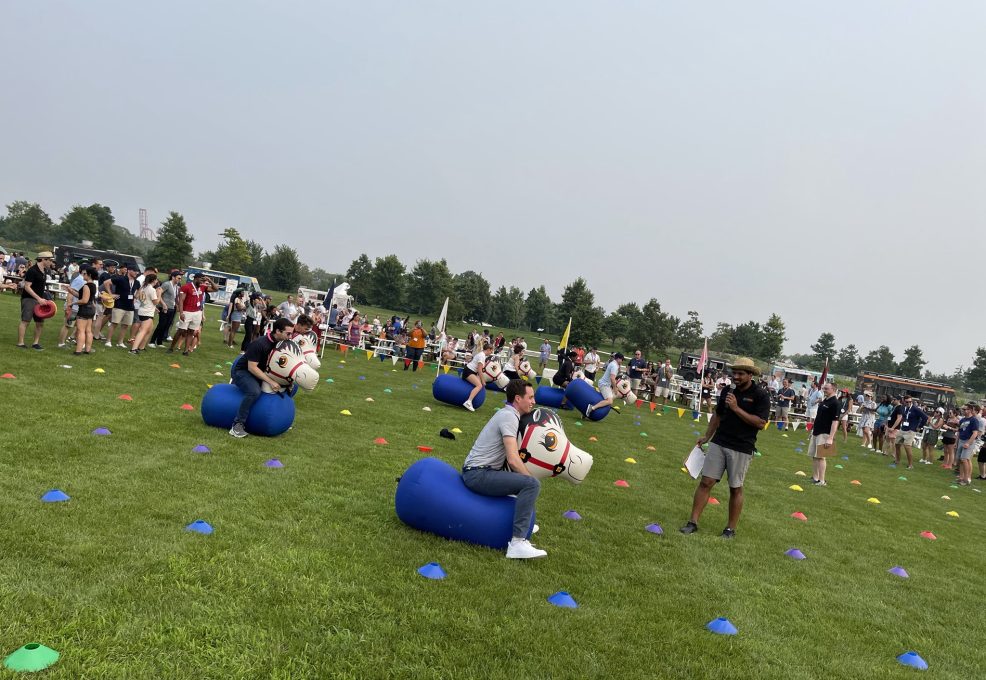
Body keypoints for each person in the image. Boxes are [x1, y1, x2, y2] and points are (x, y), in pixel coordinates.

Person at [680, 357, 770, 538]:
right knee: (706, 482)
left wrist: (736, 408)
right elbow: (717, 415)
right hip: (719, 442)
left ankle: (730, 529)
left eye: (740, 374)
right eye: (734, 373)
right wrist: (707, 436)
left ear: (750, 375)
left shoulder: (761, 395)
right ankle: (692, 522)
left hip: (742, 447)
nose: (735, 377)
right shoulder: (728, 390)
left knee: (735, 488)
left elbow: (760, 423)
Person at [461, 379, 545, 559]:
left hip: (481, 471)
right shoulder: (509, 417)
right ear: (517, 399)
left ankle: (526, 525)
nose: (533, 401)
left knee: (522, 482)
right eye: (530, 397)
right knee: (531, 485)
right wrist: (531, 479)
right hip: (478, 474)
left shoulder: (508, 414)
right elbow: (513, 459)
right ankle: (517, 543)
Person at [228, 318, 295, 438]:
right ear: (278, 331)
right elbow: (252, 368)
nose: (290, 337)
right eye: (288, 333)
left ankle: (283, 419)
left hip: (262, 372)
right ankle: (237, 425)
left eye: (292, 334)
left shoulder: (281, 344)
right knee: (254, 391)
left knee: (289, 387)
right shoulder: (260, 343)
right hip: (243, 372)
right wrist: (271, 381)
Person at [168, 273, 218, 355]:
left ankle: (186, 350)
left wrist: (210, 280)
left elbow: (215, 289)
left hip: (197, 312)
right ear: (196, 278)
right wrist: (181, 313)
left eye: (204, 280)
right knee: (181, 330)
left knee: (191, 332)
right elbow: (181, 301)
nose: (203, 281)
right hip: (187, 312)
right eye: (201, 280)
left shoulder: (202, 287)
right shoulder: (186, 287)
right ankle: (171, 347)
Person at [17, 251, 55, 350]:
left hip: (40, 300)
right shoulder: (32, 270)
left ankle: (35, 343)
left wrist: (42, 298)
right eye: (50, 260)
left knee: (40, 323)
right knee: (25, 320)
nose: (51, 262)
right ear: (43, 259)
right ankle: (20, 343)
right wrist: (38, 298)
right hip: (29, 299)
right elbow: (27, 287)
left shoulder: (45, 271)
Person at [808, 382, 840, 486]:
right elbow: (818, 417)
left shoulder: (835, 403)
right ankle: (815, 478)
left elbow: (835, 422)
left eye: (826, 388)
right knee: (814, 455)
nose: (824, 390)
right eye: (824, 388)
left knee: (821, 457)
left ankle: (822, 481)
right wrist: (812, 430)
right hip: (817, 431)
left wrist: (830, 438)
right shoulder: (825, 400)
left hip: (825, 433)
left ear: (833, 389)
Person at [103, 264, 140, 348]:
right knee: (114, 323)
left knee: (125, 325)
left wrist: (135, 298)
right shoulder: (120, 278)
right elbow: (106, 283)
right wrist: (110, 294)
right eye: (134, 271)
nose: (136, 273)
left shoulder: (137, 282)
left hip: (130, 307)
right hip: (119, 305)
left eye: (137, 272)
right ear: (129, 270)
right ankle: (108, 341)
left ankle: (120, 342)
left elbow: (139, 289)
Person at [889, 395, 928, 469]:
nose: (909, 403)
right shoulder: (903, 407)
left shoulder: (916, 409)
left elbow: (925, 418)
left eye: (910, 401)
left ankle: (910, 465)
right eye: (907, 402)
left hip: (910, 430)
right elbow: (903, 417)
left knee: (907, 446)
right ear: (904, 401)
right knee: (897, 444)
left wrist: (919, 427)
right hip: (903, 429)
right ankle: (897, 460)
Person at [148, 270, 181, 348]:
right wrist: (163, 304)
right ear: (173, 277)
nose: (180, 280)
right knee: (161, 324)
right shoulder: (166, 284)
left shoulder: (176, 286)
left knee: (167, 325)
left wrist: (177, 305)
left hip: (172, 308)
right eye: (178, 278)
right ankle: (152, 341)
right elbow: (158, 292)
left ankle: (159, 342)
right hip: (164, 308)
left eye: (180, 278)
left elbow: (174, 297)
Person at [585, 352, 624, 418]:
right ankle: (592, 408)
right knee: (609, 401)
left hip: (604, 384)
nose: (622, 361)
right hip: (604, 385)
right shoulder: (614, 366)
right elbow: (612, 378)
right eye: (622, 359)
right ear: (618, 359)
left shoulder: (613, 363)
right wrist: (615, 388)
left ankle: (585, 413)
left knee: (602, 399)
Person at [56, 264, 86, 348]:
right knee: (67, 325)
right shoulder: (79, 280)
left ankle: (77, 341)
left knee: (78, 326)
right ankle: (61, 343)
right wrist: (69, 306)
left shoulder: (81, 279)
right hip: (73, 307)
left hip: (77, 307)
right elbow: (71, 292)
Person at [129, 273, 159, 354]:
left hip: (143, 310)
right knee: (143, 331)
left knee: (149, 330)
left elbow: (138, 296)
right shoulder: (152, 289)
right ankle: (133, 349)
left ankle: (141, 347)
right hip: (147, 312)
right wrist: (159, 294)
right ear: (153, 280)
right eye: (156, 279)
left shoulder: (143, 287)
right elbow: (156, 301)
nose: (157, 281)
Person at [72, 266, 98, 355]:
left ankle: (78, 350)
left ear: (89, 275)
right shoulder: (93, 285)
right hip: (91, 309)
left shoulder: (86, 286)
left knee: (81, 331)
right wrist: (70, 290)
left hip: (84, 309)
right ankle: (87, 349)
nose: (83, 275)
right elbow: (82, 296)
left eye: (84, 274)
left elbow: (84, 300)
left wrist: (73, 304)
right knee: (88, 330)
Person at [461, 344, 494, 412]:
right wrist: (483, 381)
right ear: (488, 349)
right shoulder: (482, 356)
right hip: (469, 372)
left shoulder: (482, 354)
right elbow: (479, 370)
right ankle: (468, 402)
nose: (491, 352)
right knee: (479, 386)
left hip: (470, 371)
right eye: (491, 351)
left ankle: (470, 401)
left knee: (479, 384)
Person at [955, 403, 980, 485]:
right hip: (961, 440)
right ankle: (961, 477)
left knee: (964, 459)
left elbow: (975, 433)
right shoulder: (962, 420)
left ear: (970, 410)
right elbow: (959, 432)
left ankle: (966, 479)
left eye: (966, 409)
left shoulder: (974, 420)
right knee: (960, 460)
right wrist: (956, 442)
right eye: (963, 409)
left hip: (968, 441)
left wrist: (968, 443)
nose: (964, 411)